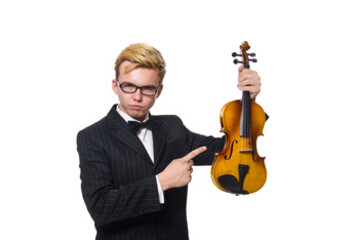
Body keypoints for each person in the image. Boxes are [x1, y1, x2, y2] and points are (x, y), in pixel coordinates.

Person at [77, 43, 262, 239]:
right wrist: (162, 181)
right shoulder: (92, 136)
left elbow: (234, 150)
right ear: (115, 86)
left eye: (147, 88)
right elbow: (100, 207)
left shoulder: (173, 126)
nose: (137, 97)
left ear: (159, 91)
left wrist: (249, 103)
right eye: (129, 86)